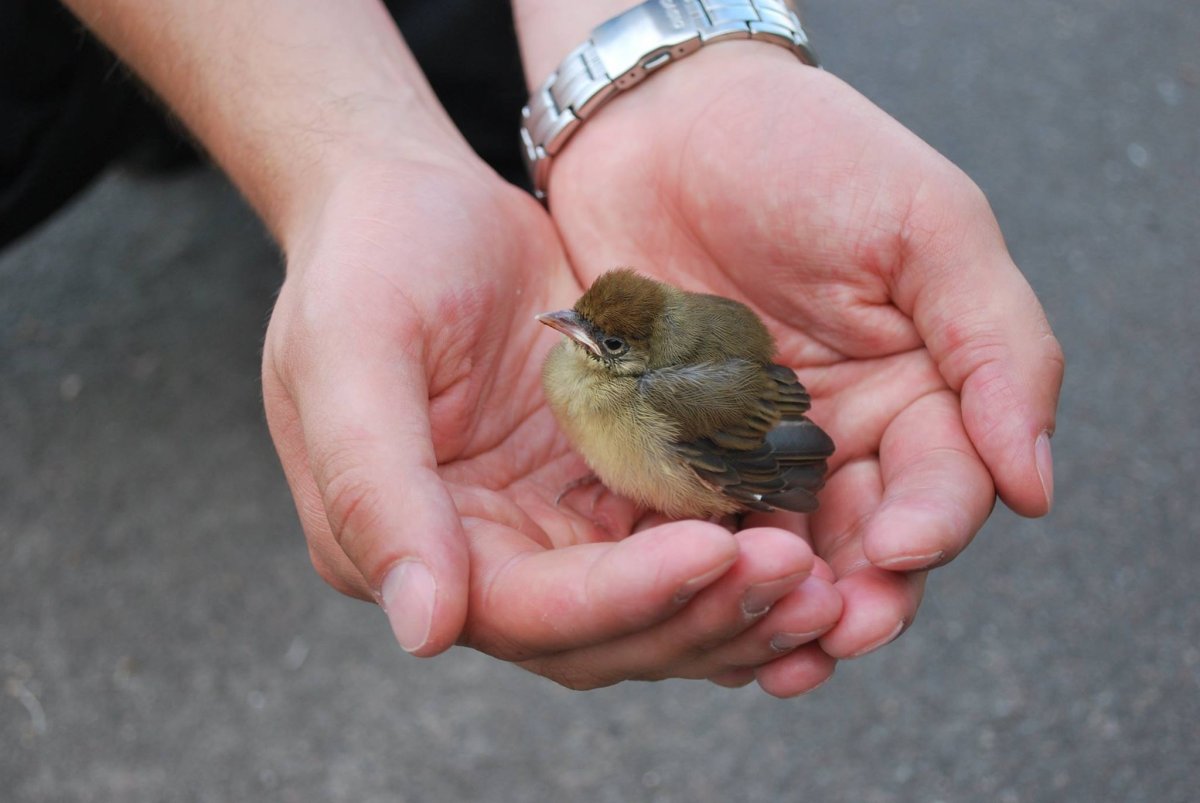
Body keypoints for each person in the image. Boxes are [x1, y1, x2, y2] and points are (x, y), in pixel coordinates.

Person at [23, 0, 1062, 697]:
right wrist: (345, 162)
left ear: (634, 344)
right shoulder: (589, 366)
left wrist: (674, 65)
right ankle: (144, 99)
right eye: (580, 325)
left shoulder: (670, 395)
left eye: (594, 336)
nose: (567, 334)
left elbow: (779, 440)